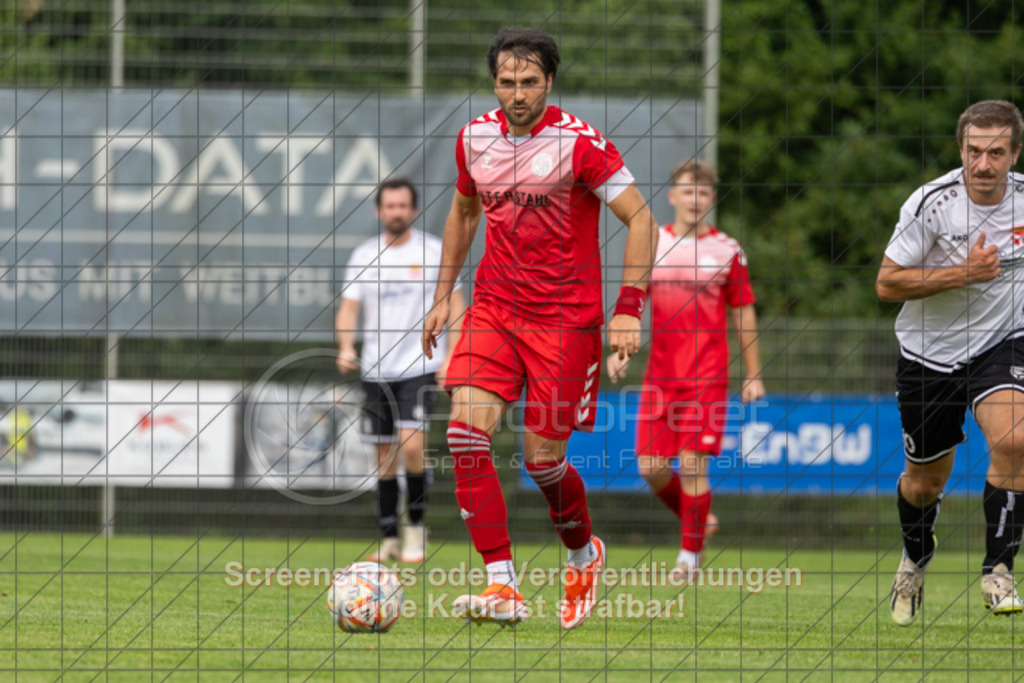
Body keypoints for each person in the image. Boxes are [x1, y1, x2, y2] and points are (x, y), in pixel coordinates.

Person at [421, 27, 658, 629]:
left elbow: (642, 220)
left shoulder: (580, 144)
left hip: (565, 324)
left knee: (541, 462)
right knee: (464, 436)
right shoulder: (473, 138)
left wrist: (628, 306)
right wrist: (445, 292)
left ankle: (583, 554)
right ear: (493, 81)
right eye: (507, 81)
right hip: (494, 310)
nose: (517, 93)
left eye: (529, 82)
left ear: (549, 82)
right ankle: (502, 584)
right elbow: (464, 210)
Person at [877, 99, 1024, 626]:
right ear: (961, 148)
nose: (984, 164)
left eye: (996, 153)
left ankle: (999, 569)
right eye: (974, 151)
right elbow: (886, 283)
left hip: (1002, 345)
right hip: (928, 355)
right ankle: (915, 557)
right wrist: (963, 273)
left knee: (1015, 440)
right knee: (924, 484)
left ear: (1014, 153)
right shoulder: (931, 204)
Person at [608, 159, 764, 580]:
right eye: (687, 191)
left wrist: (753, 373)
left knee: (694, 465)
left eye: (703, 193)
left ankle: (688, 560)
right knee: (651, 468)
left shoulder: (728, 250)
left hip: (707, 378)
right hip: (659, 378)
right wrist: (622, 348)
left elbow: (743, 312)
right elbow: (633, 298)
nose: (695, 199)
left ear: (712, 200)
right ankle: (700, 521)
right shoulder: (652, 242)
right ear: (672, 196)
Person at [337, 177, 465, 565]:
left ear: (413, 209)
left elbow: (457, 305)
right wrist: (345, 346)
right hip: (377, 371)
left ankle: (417, 531)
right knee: (383, 457)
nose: (396, 212)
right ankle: (389, 535)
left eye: (403, 205)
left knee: (412, 446)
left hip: (421, 366)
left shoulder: (433, 251)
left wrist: (452, 356)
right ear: (380, 211)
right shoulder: (364, 255)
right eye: (389, 206)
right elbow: (349, 309)